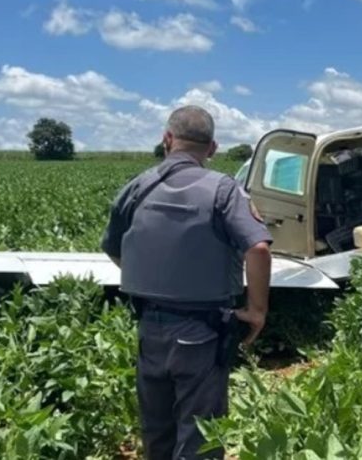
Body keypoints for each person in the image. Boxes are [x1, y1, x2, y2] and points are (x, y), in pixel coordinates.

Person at [100, 105, 273, 459]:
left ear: (167, 139)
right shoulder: (224, 190)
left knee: (157, 432)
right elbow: (258, 248)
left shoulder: (137, 186)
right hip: (203, 332)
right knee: (200, 438)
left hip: (149, 328)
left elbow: (114, 249)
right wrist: (257, 311)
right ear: (212, 148)